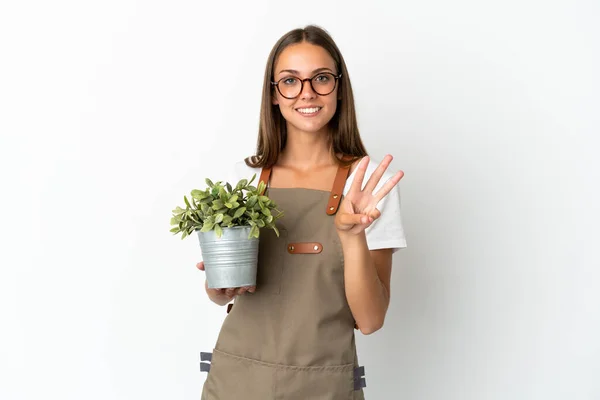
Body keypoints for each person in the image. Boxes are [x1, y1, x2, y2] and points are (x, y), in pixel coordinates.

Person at [196, 25, 406, 399]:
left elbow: (371, 321)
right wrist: (218, 281)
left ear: (339, 88)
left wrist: (351, 235)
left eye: (321, 78)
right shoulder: (244, 178)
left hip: (323, 386)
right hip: (235, 380)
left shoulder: (369, 184)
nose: (307, 93)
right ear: (274, 95)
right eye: (290, 81)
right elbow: (220, 295)